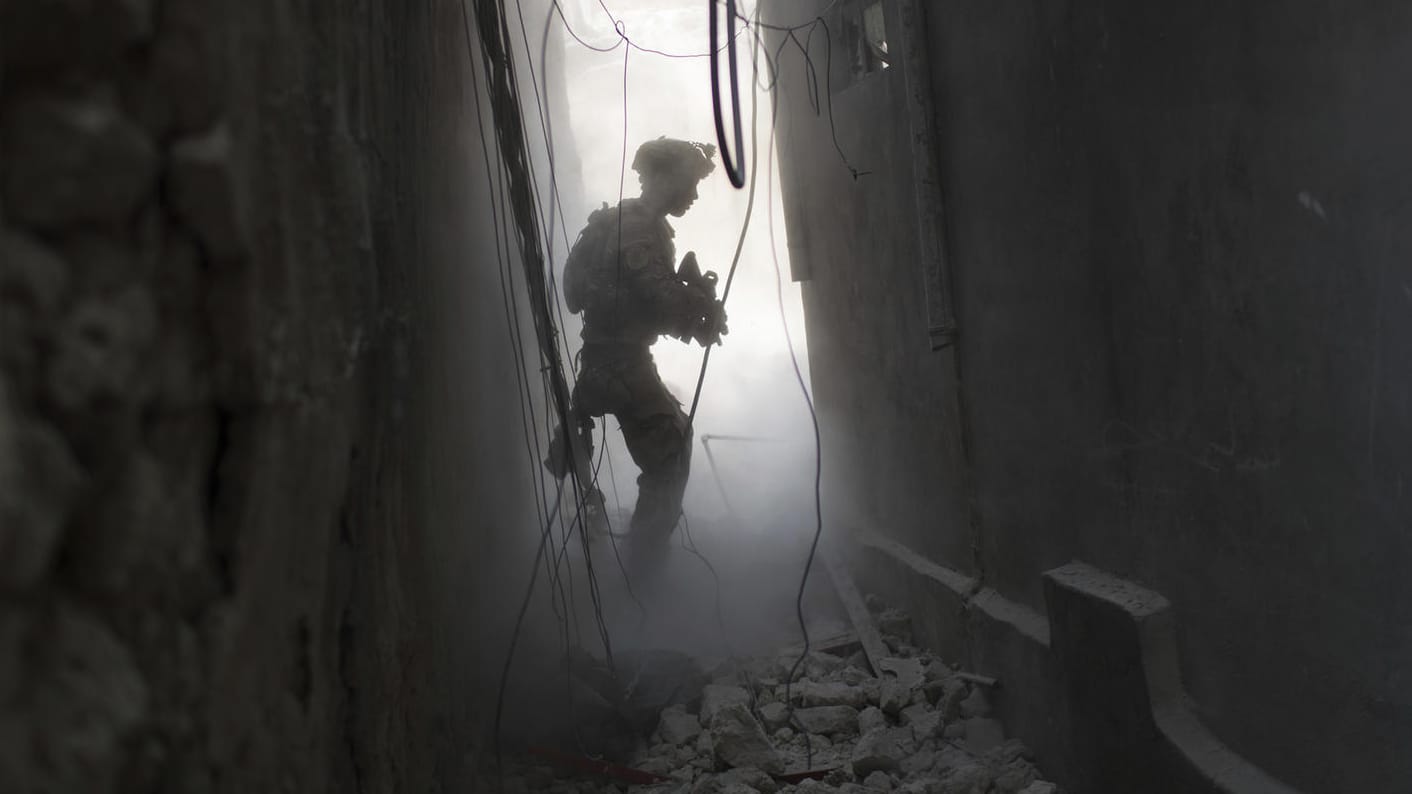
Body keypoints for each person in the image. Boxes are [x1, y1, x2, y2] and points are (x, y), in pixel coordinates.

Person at [547, 137, 728, 570]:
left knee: (672, 442)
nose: (694, 194)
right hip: (620, 368)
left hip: (606, 364)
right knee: (670, 457)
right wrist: (700, 307)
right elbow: (658, 296)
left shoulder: (621, 222)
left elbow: (636, 303)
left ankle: (632, 557)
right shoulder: (640, 227)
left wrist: (694, 315)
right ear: (663, 178)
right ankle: (643, 570)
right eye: (689, 182)